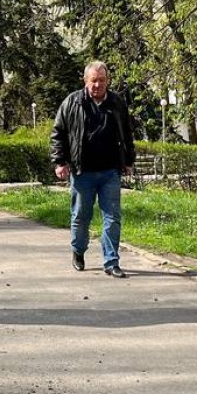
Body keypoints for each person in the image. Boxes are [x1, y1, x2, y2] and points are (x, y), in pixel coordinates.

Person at [50, 61, 136, 278]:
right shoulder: (72, 102)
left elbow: (127, 133)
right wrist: (60, 162)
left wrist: (128, 161)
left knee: (112, 217)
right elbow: (58, 134)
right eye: (93, 80)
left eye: (102, 80)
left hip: (109, 172)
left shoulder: (116, 102)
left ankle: (111, 261)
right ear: (85, 81)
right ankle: (78, 251)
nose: (98, 85)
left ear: (107, 80)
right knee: (80, 216)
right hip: (82, 172)